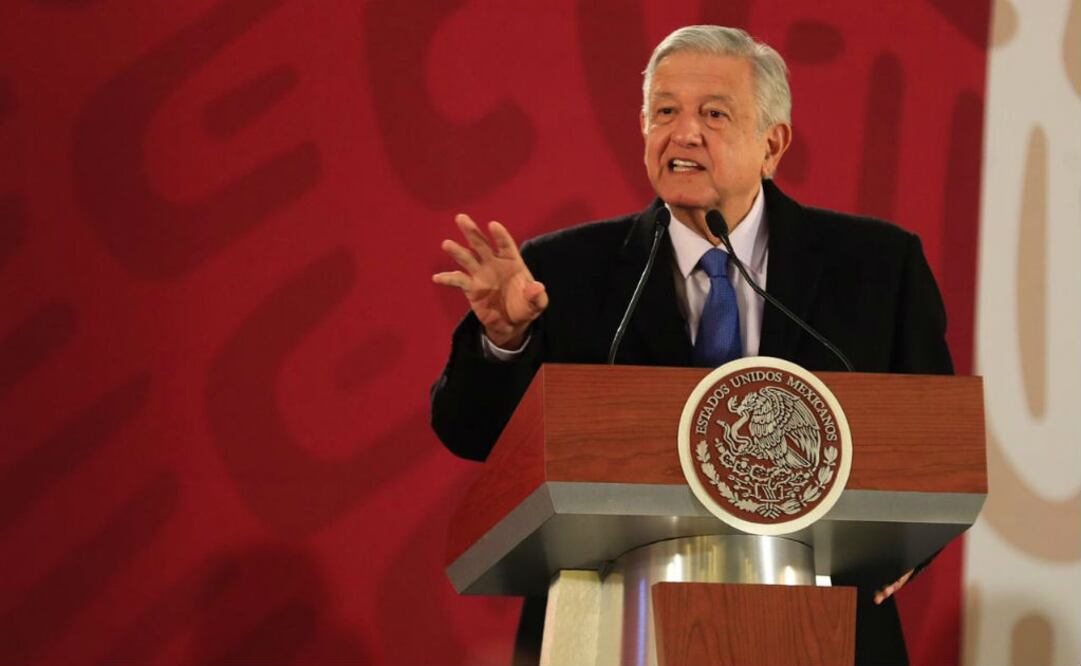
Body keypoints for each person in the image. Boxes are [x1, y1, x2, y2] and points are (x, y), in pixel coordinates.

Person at [431, 25, 952, 666]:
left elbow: (935, 449)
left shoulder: (877, 267)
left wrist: (894, 550)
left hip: (821, 625)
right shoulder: (563, 272)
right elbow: (469, 432)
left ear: (773, 143)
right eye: (665, 112)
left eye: (713, 114)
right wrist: (504, 339)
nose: (684, 134)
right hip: (610, 628)